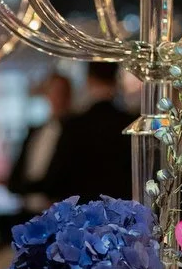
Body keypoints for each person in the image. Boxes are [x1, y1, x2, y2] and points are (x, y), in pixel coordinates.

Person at [41, 62, 131, 204]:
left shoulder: (74, 126)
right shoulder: (131, 123)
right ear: (116, 79)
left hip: (82, 216)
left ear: (89, 80)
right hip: (124, 215)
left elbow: (57, 179)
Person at [7, 72, 73, 219]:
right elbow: (15, 178)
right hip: (27, 212)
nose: (56, 98)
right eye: (53, 92)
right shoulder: (35, 131)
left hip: (59, 215)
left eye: (60, 93)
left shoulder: (74, 132)